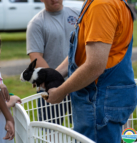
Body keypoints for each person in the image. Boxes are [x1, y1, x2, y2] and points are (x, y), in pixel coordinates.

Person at [46, 0, 136, 143]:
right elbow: (84, 53)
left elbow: (95, 66)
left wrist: (61, 91)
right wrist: (53, 75)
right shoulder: (99, 3)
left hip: (99, 100)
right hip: (106, 97)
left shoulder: (101, 5)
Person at [26, 0, 79, 124]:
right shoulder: (36, 23)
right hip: (51, 89)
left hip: (78, 84)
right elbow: (36, 57)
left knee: (82, 132)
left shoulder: (77, 14)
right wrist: (54, 84)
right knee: (51, 134)